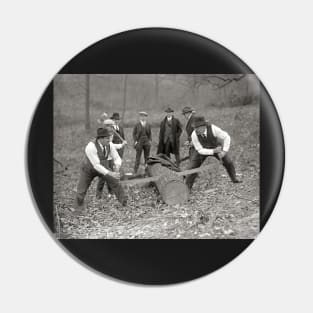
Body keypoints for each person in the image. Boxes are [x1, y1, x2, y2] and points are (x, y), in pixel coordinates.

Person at [75, 128, 126, 213]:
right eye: (107, 138)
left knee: (115, 181)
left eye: (109, 138)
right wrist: (110, 173)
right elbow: (96, 165)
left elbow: (117, 157)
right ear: (100, 138)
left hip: (103, 166)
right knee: (81, 189)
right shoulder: (90, 147)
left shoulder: (110, 145)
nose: (109, 140)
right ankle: (78, 209)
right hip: (88, 169)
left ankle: (124, 203)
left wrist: (117, 166)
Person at [185, 116, 241, 190]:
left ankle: (234, 178)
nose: (196, 130)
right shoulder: (194, 134)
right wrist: (212, 151)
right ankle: (187, 188)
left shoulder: (213, 128)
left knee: (228, 162)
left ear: (203, 126)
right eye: (195, 128)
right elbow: (199, 150)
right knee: (192, 167)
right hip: (202, 150)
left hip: (215, 147)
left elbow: (226, 137)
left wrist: (224, 151)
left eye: (197, 127)